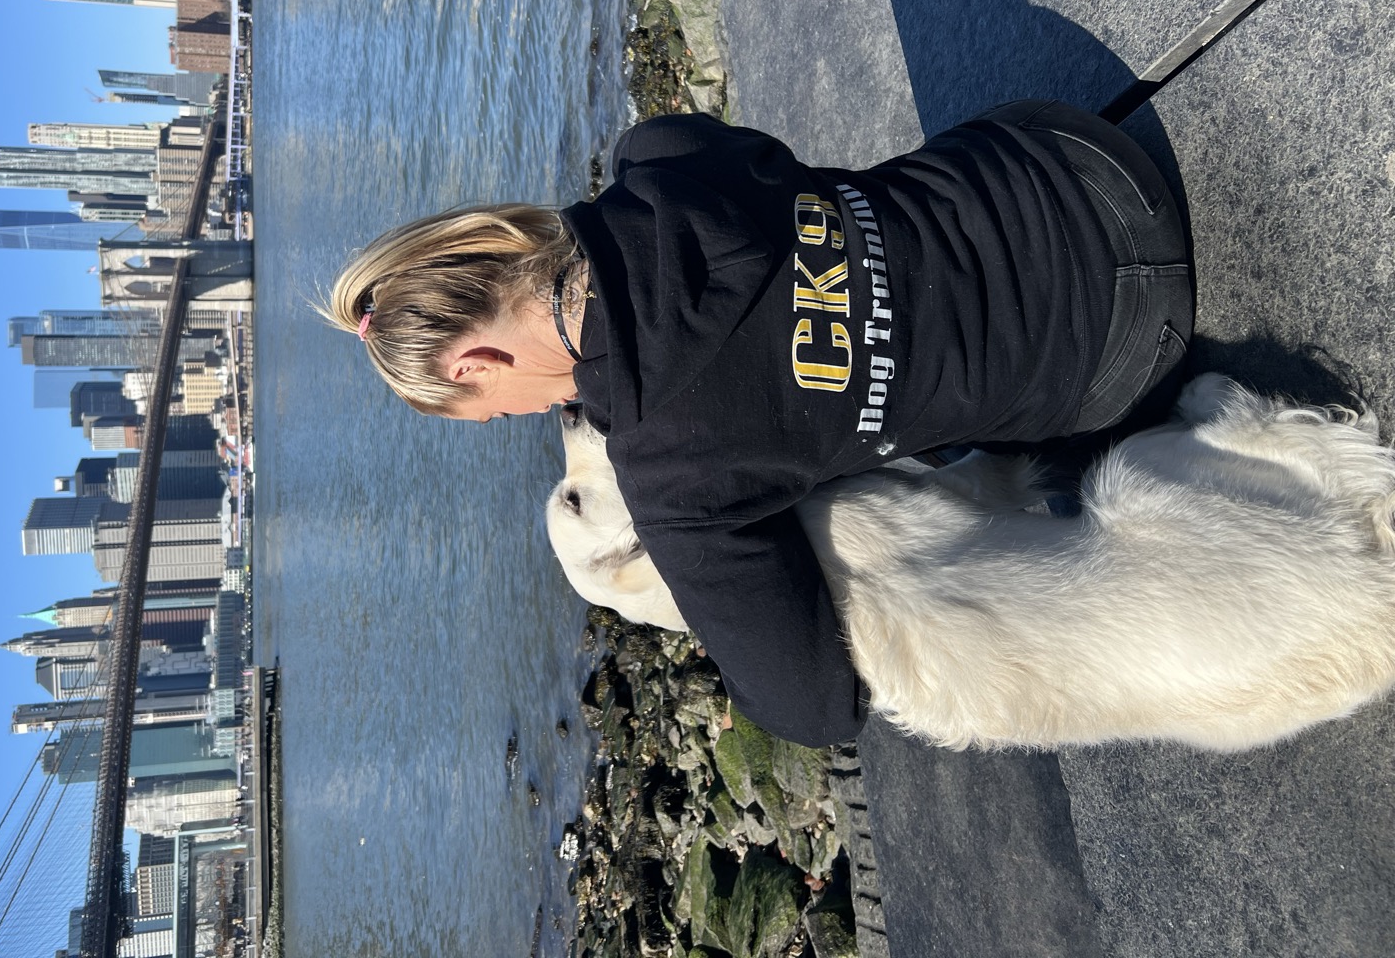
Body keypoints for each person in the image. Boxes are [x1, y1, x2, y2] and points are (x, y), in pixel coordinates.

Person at [324, 100, 1193, 746]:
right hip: (1072, 160)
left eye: (479, 411)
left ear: (474, 365)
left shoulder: (677, 480)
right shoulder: (658, 159)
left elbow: (812, 708)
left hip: (1117, 347)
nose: (506, 418)